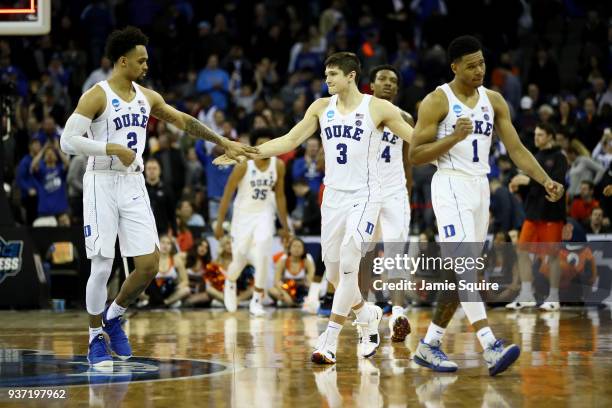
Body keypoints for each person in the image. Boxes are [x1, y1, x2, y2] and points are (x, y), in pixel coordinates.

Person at [59, 26, 257, 369]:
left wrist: (223, 142)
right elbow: (67, 141)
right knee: (103, 265)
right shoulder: (97, 95)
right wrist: (110, 147)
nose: (146, 65)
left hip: (133, 182)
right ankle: (94, 339)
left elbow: (183, 121)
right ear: (123, 62)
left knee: (149, 264)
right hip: (100, 181)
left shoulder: (147, 96)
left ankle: (113, 315)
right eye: (141, 60)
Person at [215, 52, 414, 364]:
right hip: (333, 197)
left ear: (351, 76)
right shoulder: (321, 107)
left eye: (332, 74)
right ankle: (367, 315)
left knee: (350, 259)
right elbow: (289, 141)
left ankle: (330, 339)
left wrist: (448, 142)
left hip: (366, 195)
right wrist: (246, 154)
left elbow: (416, 140)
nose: (327, 79)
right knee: (334, 271)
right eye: (326, 74)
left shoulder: (378, 108)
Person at [409, 36, 564, 376]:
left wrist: (545, 180)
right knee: (464, 265)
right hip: (449, 183)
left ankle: (429, 345)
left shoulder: (493, 100)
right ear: (455, 67)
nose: (480, 69)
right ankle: (490, 345)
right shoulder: (437, 100)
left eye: (482, 63)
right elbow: (415, 155)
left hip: (480, 188)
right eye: (472, 65)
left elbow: (518, 149)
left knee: (460, 273)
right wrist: (452, 138)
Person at [215, 127, 290, 317]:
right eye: (261, 144)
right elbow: (227, 195)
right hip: (242, 216)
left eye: (268, 143)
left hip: (265, 212)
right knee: (239, 257)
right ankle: (230, 281)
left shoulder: (278, 165)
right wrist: (219, 222)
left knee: (264, 250)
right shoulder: (243, 165)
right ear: (255, 146)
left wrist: (286, 226)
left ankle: (257, 300)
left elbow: (280, 196)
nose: (265, 147)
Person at [369, 64, 414, 343]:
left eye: (393, 81)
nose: (388, 83)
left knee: (397, 253)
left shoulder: (406, 117)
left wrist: (407, 190)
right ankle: (372, 308)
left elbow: (409, 161)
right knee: (367, 253)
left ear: (397, 88)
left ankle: (397, 312)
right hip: (368, 191)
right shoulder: (360, 114)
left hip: (396, 192)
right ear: (371, 85)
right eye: (382, 79)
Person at [507, 123, 568, 311]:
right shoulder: (535, 156)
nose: (536, 138)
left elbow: (556, 182)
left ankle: (554, 296)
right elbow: (533, 186)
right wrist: (519, 185)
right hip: (532, 213)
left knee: (553, 256)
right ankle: (526, 294)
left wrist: (527, 180)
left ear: (550, 136)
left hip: (551, 213)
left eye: (540, 135)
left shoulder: (559, 157)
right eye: (535, 134)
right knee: (522, 251)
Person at [269, 237, 316, 306]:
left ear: (303, 250)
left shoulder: (307, 261)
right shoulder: (282, 261)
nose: (296, 249)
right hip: (286, 290)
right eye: (294, 246)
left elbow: (311, 280)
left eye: (299, 247)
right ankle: (289, 302)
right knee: (271, 290)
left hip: (302, 290)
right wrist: (285, 293)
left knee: (317, 290)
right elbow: (276, 281)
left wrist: (308, 286)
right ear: (289, 249)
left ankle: (288, 302)